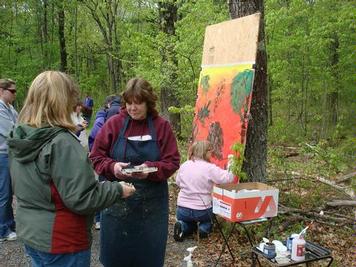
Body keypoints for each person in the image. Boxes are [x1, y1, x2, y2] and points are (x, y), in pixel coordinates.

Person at [7, 71, 136, 267]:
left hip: (32, 235)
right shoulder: (61, 142)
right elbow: (83, 198)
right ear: (63, 100)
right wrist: (117, 189)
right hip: (61, 241)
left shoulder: (21, 136)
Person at [90, 77, 180, 267]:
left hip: (152, 208)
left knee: (148, 260)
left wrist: (150, 171)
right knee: (116, 259)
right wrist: (113, 167)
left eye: (137, 103)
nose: (132, 108)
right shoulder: (114, 124)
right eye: (129, 103)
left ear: (148, 102)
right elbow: (96, 156)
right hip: (117, 204)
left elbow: (172, 162)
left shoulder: (161, 126)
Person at [174, 140, 234, 242]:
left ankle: (183, 227)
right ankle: (203, 229)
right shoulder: (209, 168)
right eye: (210, 151)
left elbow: (178, 182)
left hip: (182, 209)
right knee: (208, 220)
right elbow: (227, 178)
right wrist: (232, 163)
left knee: (189, 223)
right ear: (206, 152)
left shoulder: (185, 165)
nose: (211, 154)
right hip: (202, 210)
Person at [0, 78, 18, 242]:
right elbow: (11, 131)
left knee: (8, 192)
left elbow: (20, 125)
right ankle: (3, 230)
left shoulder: (10, 108)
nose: (14, 94)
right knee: (4, 193)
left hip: (9, 154)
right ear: (1, 90)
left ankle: (10, 224)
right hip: (2, 155)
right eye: (12, 91)